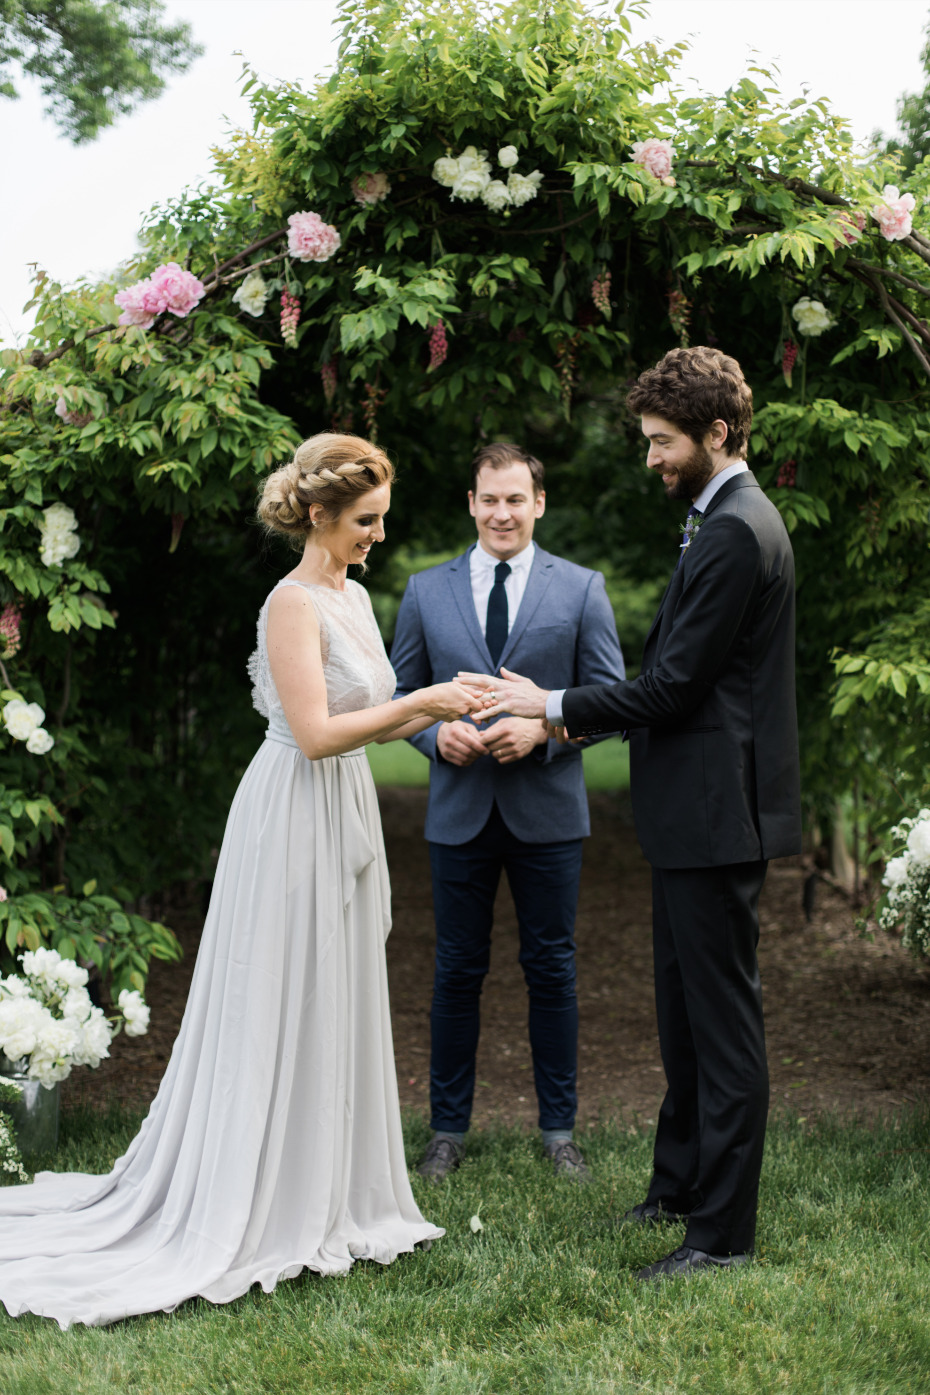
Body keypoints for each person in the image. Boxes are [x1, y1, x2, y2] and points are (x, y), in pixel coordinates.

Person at [0, 433, 485, 1329]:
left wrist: (431, 701)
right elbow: (313, 733)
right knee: (279, 992)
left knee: (334, 990)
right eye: (365, 521)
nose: (378, 534)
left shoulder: (354, 594)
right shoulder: (290, 604)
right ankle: (258, 1197)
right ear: (318, 515)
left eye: (381, 518)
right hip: (290, 809)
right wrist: (422, 704)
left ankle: (329, 1189)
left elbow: (365, 721)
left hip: (342, 805)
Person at [461, 348, 801, 1278]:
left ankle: (721, 1236)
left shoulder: (737, 529)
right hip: (690, 814)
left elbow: (676, 686)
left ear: (716, 435)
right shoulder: (713, 517)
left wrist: (553, 706)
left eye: (661, 442)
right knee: (683, 1015)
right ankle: (678, 1186)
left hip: (717, 812)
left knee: (723, 1027)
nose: (650, 458)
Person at [390, 442, 625, 1183]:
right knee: (455, 972)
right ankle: (445, 1132)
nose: (502, 512)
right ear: (471, 502)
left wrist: (548, 731)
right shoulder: (426, 592)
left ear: (538, 503)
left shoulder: (583, 588)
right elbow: (397, 699)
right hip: (458, 813)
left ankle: (560, 1132)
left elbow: (611, 702)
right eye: (490, 499)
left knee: (551, 970)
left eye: (516, 499)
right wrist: (434, 734)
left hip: (548, 816)